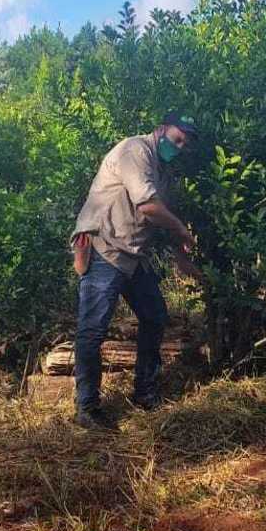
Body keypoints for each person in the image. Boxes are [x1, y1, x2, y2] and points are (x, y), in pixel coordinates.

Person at [70, 112, 202, 429]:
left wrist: (181, 257)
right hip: (104, 248)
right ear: (160, 130)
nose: (180, 146)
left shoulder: (163, 172)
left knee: (155, 316)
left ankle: (145, 393)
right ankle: (87, 407)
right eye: (177, 138)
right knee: (93, 330)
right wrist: (183, 230)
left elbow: (159, 218)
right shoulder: (135, 150)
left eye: (185, 143)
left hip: (132, 255)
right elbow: (149, 207)